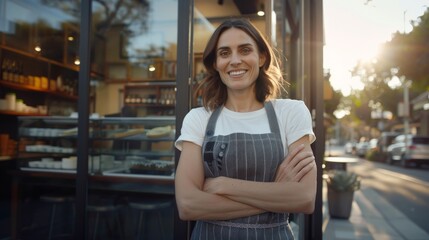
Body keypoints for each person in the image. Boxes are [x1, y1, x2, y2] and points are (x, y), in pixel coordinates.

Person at [175, 18, 317, 239]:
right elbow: (188, 205)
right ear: (215, 63)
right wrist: (276, 195)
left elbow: (304, 198)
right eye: (224, 53)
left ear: (261, 57)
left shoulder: (291, 112)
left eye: (244, 50)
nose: (235, 60)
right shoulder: (198, 118)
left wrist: (223, 184)